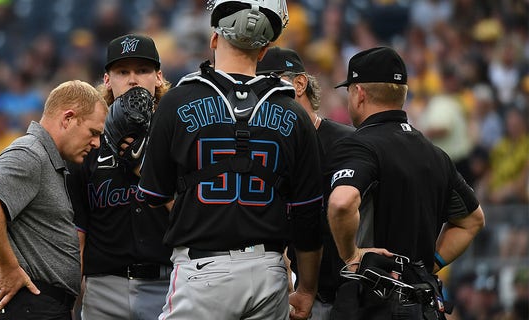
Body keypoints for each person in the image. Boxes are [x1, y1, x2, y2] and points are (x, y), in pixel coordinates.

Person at [138, 1, 324, 319]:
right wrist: (306, 288)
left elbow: (154, 195)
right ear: (265, 50)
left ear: (214, 39)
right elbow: (308, 217)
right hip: (269, 272)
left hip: (201, 269)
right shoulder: (294, 112)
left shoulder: (177, 101)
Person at [325, 46, 486, 319]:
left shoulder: (358, 145)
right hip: (422, 304)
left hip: (373, 302)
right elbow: (473, 220)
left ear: (359, 93)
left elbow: (342, 202)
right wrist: (428, 266)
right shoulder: (435, 153)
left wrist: (351, 255)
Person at [0, 80, 107, 319]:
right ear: (68, 118)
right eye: (93, 132)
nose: (96, 143)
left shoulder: (48, 160)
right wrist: (9, 267)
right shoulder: (32, 153)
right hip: (29, 307)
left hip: (40, 307)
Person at [65, 33, 172, 320]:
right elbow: (78, 234)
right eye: (123, 71)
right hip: (104, 289)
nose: (133, 79)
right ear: (107, 79)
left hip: (167, 284)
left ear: (158, 76)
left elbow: (191, 217)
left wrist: (145, 171)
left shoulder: (176, 136)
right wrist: (68, 302)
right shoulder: (88, 144)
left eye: (142, 70)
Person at [257, 46, 354, 320]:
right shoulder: (268, 148)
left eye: (269, 82)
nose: (260, 95)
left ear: (299, 83)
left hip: (347, 294)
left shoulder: (346, 143)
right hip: (298, 294)